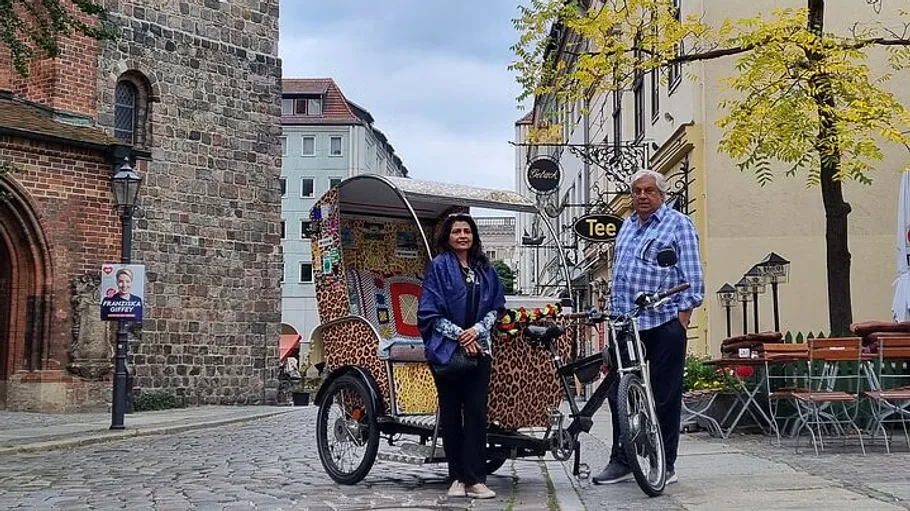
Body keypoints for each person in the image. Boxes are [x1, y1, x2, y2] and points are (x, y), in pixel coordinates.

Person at [592, 169, 705, 486]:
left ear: (661, 194)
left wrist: (681, 322)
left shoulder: (678, 224)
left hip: (664, 320)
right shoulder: (627, 226)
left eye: (649, 190)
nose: (642, 195)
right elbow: (620, 278)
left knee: (665, 395)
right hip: (626, 324)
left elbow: (693, 278)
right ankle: (622, 460)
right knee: (618, 393)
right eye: (637, 190)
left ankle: (665, 463)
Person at [417, 212, 505, 500]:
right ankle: (456, 477)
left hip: (481, 349)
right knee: (452, 415)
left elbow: (495, 307)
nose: (462, 236)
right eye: (457, 231)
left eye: (467, 231)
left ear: (474, 236)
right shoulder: (439, 267)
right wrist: (460, 335)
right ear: (448, 236)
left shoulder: (485, 269)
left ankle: (476, 479)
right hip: (447, 352)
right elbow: (430, 311)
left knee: (477, 413)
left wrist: (476, 331)